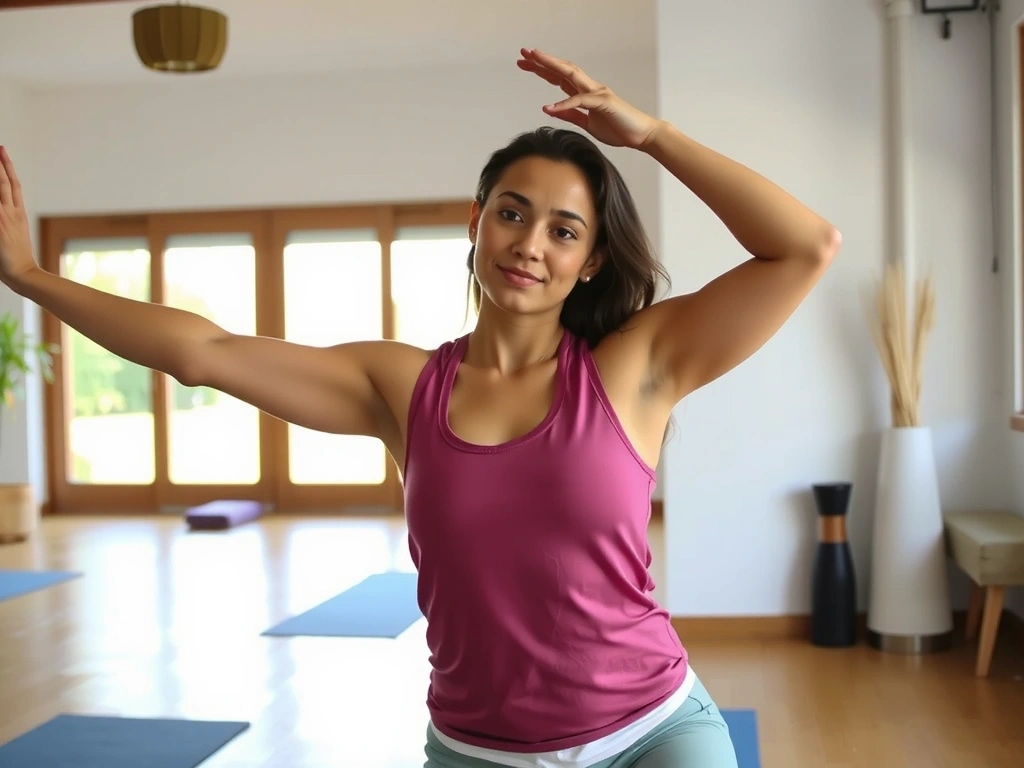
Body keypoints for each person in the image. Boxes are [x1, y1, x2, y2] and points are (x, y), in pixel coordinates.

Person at [0, 48, 839, 768]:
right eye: (512, 213)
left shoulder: (636, 368)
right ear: (477, 223)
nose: (530, 245)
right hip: (478, 748)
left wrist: (650, 135)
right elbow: (203, 353)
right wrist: (31, 279)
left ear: (590, 262)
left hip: (652, 737)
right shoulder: (403, 389)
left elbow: (804, 247)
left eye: (564, 230)